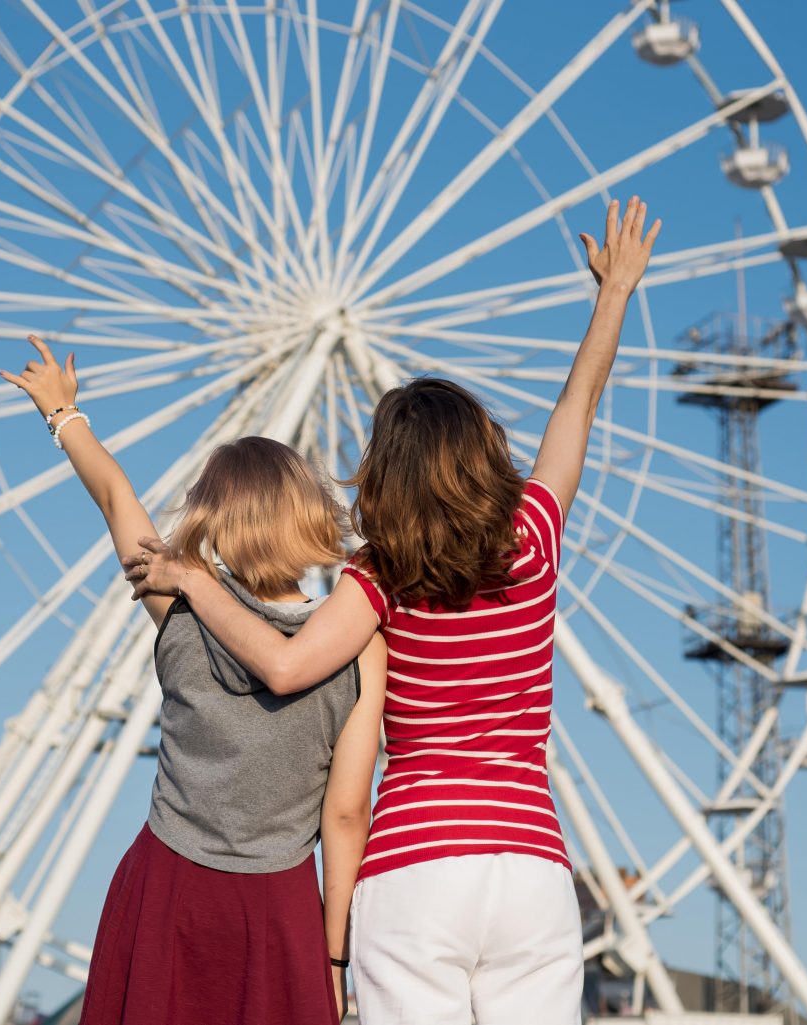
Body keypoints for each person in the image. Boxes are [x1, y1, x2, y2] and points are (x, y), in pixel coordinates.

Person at [124, 197, 660, 1025]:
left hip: (415, 864)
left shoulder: (380, 581)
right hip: (531, 866)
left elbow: (283, 665)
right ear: (485, 455)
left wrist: (193, 582)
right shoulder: (535, 540)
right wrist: (615, 293)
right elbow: (575, 412)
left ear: (385, 477)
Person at [0, 336, 387, 1025]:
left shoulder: (180, 609)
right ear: (309, 517)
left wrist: (63, 414)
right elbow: (347, 812)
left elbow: (117, 498)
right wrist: (334, 960)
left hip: (168, 884)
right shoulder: (359, 648)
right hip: (279, 905)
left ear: (214, 521)